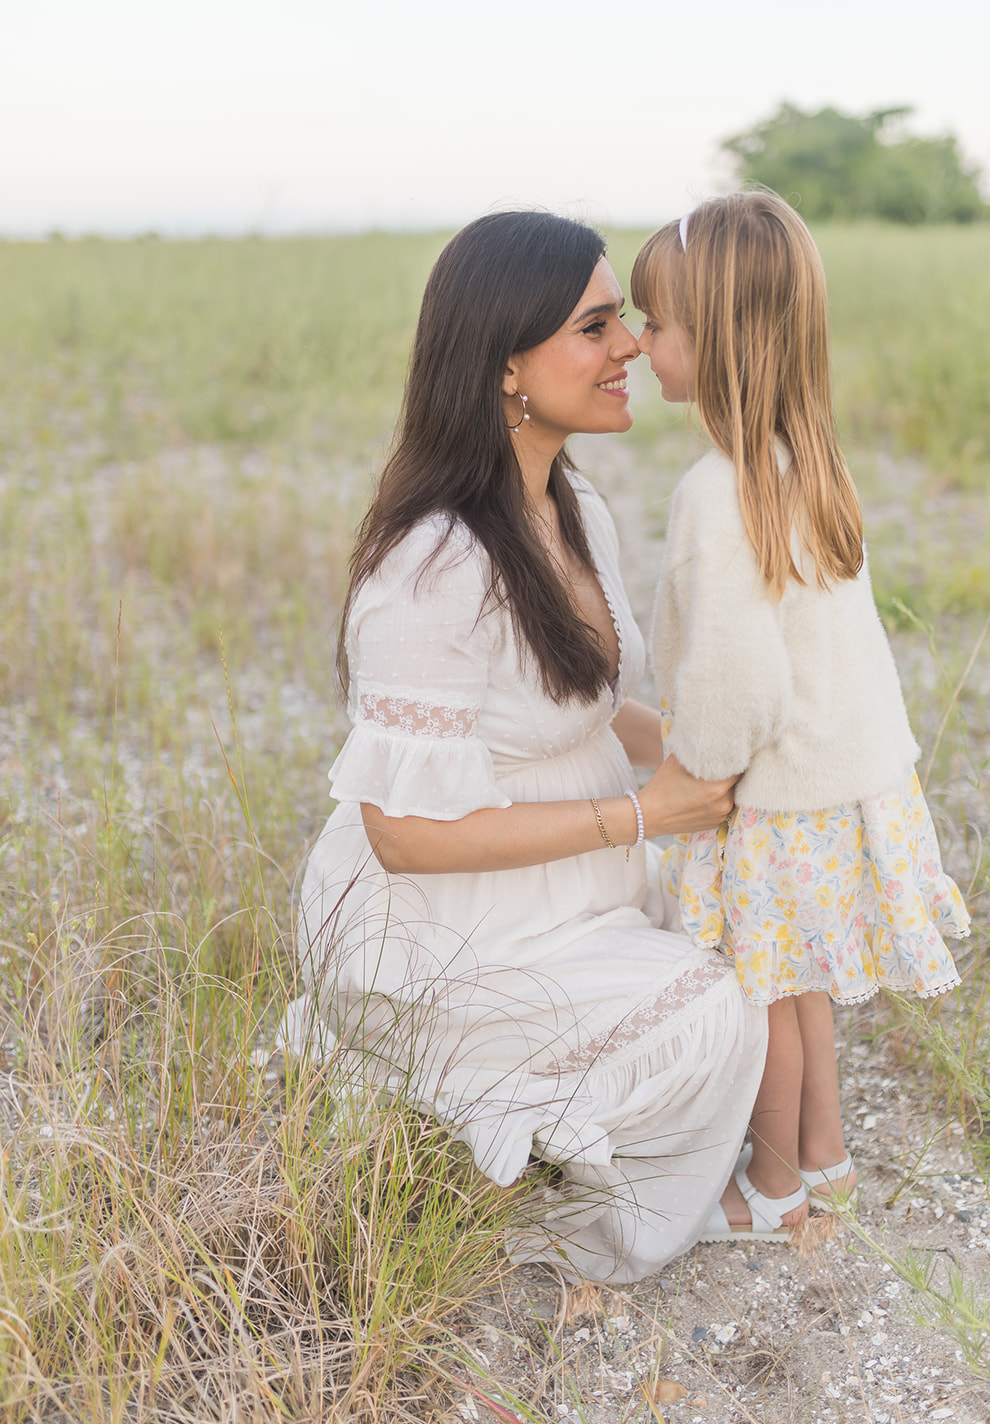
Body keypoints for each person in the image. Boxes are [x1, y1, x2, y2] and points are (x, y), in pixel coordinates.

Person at [290, 210, 768, 1284]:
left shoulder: (573, 504)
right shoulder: (431, 564)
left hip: (572, 892)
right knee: (709, 1016)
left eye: (622, 322)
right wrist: (648, 813)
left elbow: (589, 707)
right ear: (507, 363)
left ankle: (543, 1127)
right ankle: (528, 1238)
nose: (633, 345)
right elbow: (406, 834)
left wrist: (714, 757)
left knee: (767, 937)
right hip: (443, 933)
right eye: (594, 326)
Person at [633, 191, 970, 1239]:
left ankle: (768, 1184)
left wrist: (693, 770)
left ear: (714, 337)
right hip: (847, 780)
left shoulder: (714, 488)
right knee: (800, 989)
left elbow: (738, 678)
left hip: (775, 799)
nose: (640, 344)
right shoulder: (800, 459)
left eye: (654, 323)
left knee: (760, 999)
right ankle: (821, 1158)